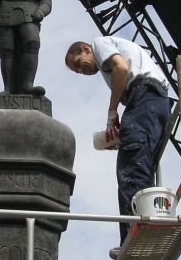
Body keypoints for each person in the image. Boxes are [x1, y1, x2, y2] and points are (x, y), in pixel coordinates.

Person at [65, 38, 169, 245]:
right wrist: (126, 136)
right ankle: (140, 230)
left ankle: (135, 235)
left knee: (130, 171)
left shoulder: (98, 44)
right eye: (76, 71)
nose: (80, 71)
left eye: (78, 63)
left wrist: (112, 112)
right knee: (139, 161)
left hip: (144, 96)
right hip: (151, 101)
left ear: (85, 49)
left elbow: (120, 69)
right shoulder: (128, 57)